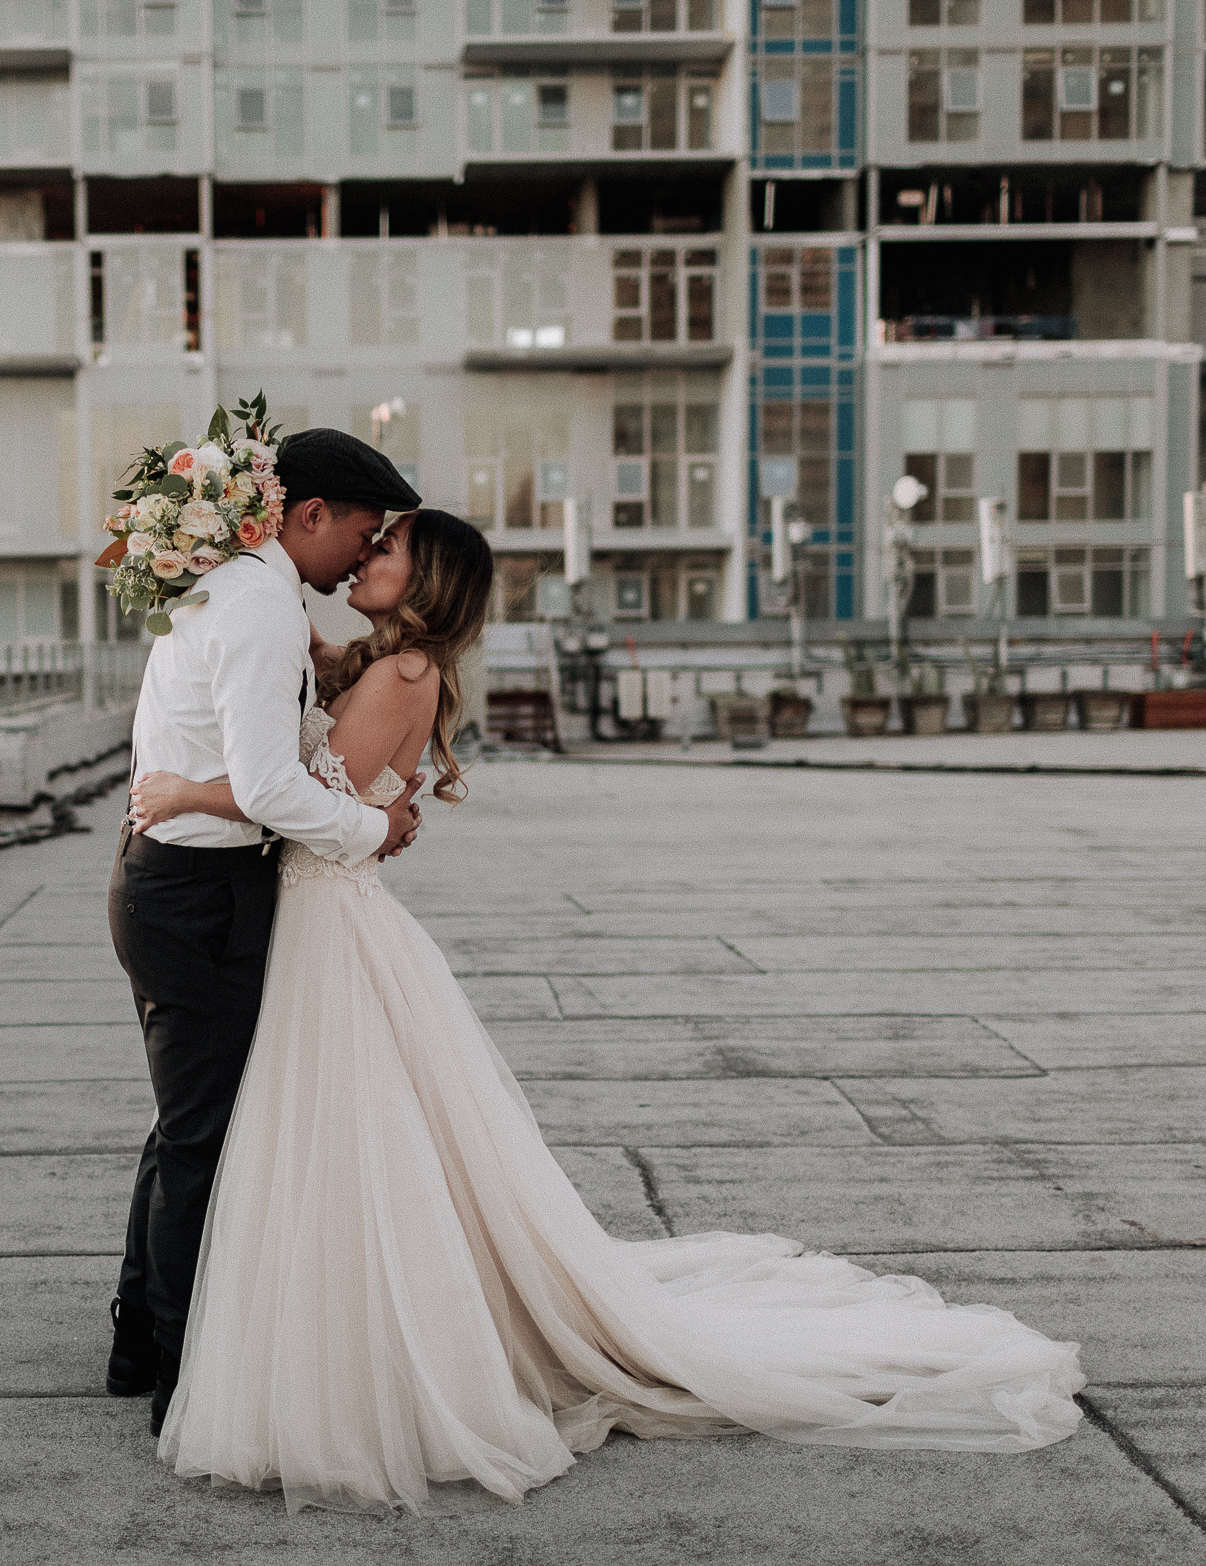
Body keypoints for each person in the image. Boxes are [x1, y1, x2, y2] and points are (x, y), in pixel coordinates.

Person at [128, 507, 1088, 1514]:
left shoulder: (401, 674)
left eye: (388, 550)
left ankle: (346, 1342)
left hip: (325, 919)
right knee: (332, 1143)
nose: (367, 556)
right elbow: (323, 731)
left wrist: (194, 787)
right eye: (369, 541)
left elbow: (311, 804)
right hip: (319, 915)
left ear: (429, 582)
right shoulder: (382, 661)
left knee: (343, 1146)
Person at [107, 426, 424, 1440]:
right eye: (362, 534)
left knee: (182, 1124)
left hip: (188, 882)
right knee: (202, 1137)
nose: (362, 557)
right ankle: (178, 1376)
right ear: (309, 515)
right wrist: (372, 827)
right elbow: (269, 786)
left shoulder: (252, 592)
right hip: (196, 893)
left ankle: (137, 1342)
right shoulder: (254, 604)